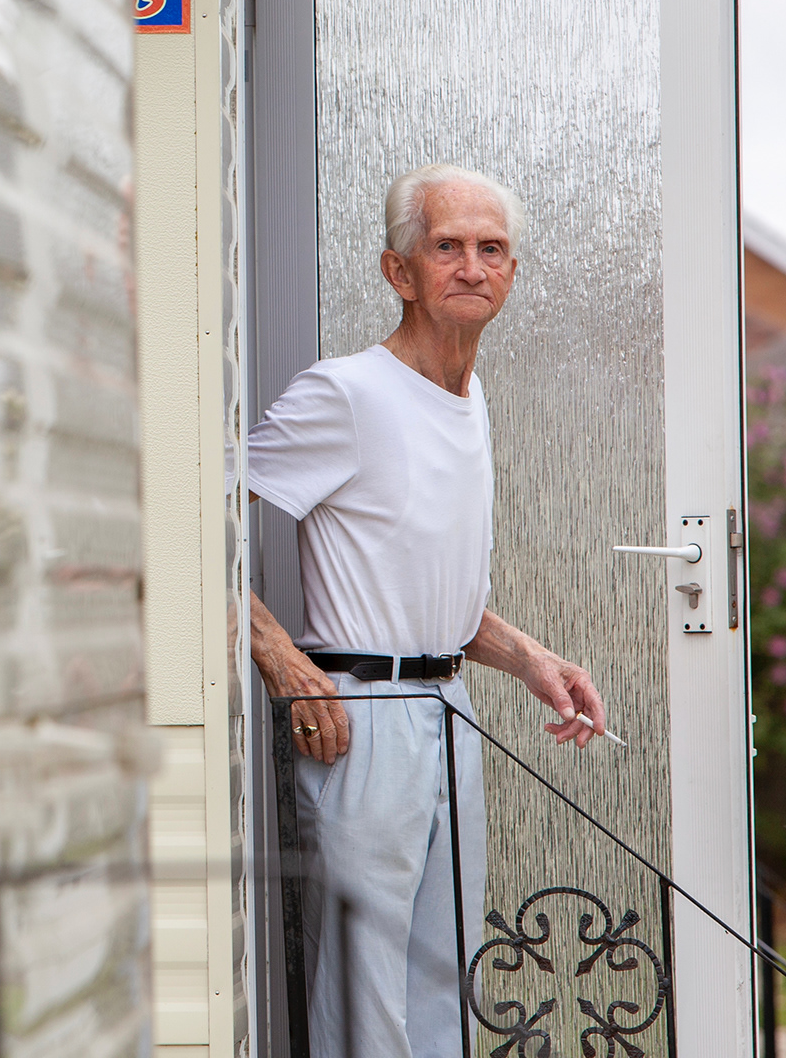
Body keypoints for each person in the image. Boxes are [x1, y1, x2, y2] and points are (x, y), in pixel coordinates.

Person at [247, 163, 609, 1058]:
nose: (472, 266)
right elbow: (189, 517)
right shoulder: (347, 393)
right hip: (358, 721)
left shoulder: (469, 395)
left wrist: (532, 660)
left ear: (512, 274)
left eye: (492, 249)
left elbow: (431, 597)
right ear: (397, 271)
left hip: (448, 711)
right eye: (446, 246)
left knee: (444, 975)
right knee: (369, 991)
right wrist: (281, 657)